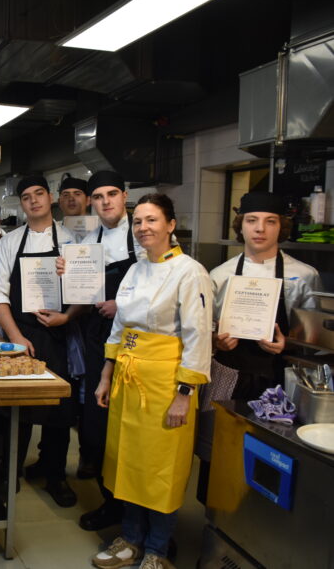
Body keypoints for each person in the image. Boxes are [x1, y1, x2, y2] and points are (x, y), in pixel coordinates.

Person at [91, 194, 212, 569]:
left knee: (161, 469)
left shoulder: (190, 272)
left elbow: (198, 337)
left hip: (167, 385)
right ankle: (130, 539)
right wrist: (106, 375)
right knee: (128, 462)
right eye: (138, 221)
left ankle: (157, 550)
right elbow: (119, 327)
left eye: (152, 220)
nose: (143, 227)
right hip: (128, 379)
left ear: (171, 225)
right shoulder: (135, 269)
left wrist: (184, 394)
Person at [0, 175, 78, 507]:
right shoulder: (10, 242)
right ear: (21, 204)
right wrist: (15, 337)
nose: (34, 200)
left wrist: (67, 316)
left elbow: (86, 291)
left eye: (39, 194)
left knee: (59, 410)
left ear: (50, 197)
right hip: (21, 333)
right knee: (16, 409)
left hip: (59, 333)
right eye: (26, 197)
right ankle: (8, 475)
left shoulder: (71, 240)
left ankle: (55, 475)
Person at [75, 170, 142, 532]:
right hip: (97, 336)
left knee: (133, 427)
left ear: (124, 196)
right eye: (98, 196)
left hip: (138, 341)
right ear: (91, 202)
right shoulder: (89, 241)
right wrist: (68, 276)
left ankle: (140, 512)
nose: (106, 202)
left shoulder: (143, 235)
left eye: (112, 194)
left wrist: (123, 304)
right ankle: (111, 502)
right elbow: (84, 294)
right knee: (97, 424)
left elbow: (163, 287)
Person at [210, 191, 321, 399]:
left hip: (283, 376)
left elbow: (315, 342)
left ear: (281, 228)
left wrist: (287, 343)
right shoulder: (219, 275)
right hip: (228, 376)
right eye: (251, 220)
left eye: (270, 221)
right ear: (240, 226)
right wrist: (216, 341)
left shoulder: (304, 276)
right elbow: (205, 328)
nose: (260, 228)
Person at [57, 175, 92, 243]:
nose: (71, 199)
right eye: (66, 195)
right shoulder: (52, 231)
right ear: (59, 202)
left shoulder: (100, 230)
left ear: (88, 200)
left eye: (77, 194)